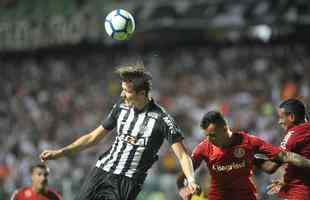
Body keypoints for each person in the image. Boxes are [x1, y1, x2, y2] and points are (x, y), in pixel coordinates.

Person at [40, 64, 198, 200]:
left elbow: (183, 156)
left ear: (142, 93)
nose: (122, 94)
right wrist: (60, 153)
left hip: (127, 180)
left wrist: (191, 180)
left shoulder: (162, 119)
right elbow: (93, 137)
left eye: (127, 91)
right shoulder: (121, 107)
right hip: (102, 170)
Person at [177, 111, 310, 200]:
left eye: (212, 135)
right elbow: (182, 176)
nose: (209, 139)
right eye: (206, 135)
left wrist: (253, 159)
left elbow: (282, 158)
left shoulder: (249, 142)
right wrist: (185, 192)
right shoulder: (203, 148)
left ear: (224, 129)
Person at [257, 98, 310, 200]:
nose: (279, 122)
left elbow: (271, 166)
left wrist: (250, 156)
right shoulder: (306, 129)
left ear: (291, 117)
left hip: (298, 194)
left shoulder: (294, 134)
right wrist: (286, 179)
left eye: (281, 117)